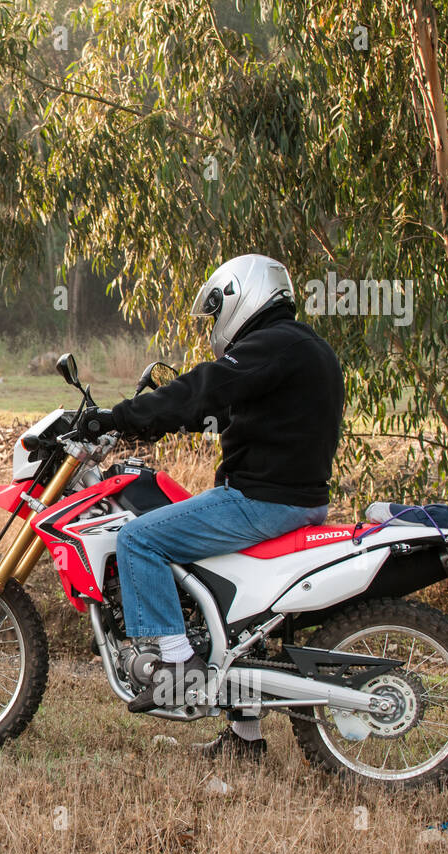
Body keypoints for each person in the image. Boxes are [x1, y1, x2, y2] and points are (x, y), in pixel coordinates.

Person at [77, 254, 345, 761]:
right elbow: (212, 406)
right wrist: (153, 418)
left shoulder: (273, 345)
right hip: (291, 499)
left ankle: (176, 668)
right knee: (234, 614)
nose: (214, 323)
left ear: (240, 295)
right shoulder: (299, 347)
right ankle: (245, 740)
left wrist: (118, 416)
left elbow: (204, 387)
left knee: (138, 538)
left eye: (216, 308)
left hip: (263, 501)